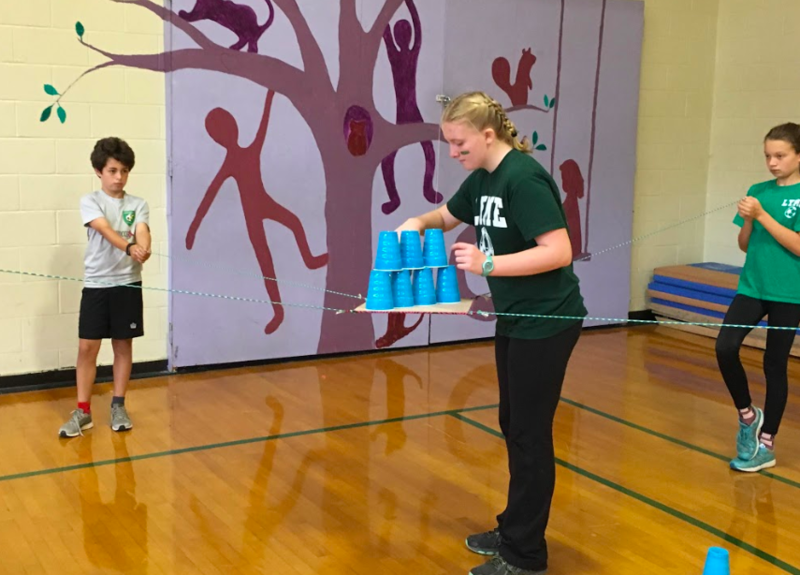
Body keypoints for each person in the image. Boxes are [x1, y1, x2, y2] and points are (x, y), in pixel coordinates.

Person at [397, 91, 586, 575]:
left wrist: (489, 264)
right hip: (517, 317)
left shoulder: (522, 178)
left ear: (487, 135)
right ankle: (514, 527)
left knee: (528, 433)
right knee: (512, 424)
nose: (454, 154)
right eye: (449, 145)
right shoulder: (482, 179)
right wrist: (417, 222)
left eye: (460, 145)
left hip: (548, 319)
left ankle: (525, 556)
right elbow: (446, 215)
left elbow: (559, 250)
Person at [717, 122, 800, 473]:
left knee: (774, 364)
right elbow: (745, 244)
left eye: (780, 156)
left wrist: (763, 214)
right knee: (725, 346)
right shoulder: (758, 190)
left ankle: (766, 443)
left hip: (788, 293)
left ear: (798, 155)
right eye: (768, 156)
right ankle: (748, 416)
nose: (772, 163)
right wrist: (750, 219)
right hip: (752, 287)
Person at [59, 137, 151, 438]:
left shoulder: (138, 204)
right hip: (97, 285)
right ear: (99, 171)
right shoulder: (91, 201)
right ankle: (83, 412)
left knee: (123, 345)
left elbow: (142, 231)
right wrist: (129, 248)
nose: (119, 177)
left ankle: (118, 405)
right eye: (112, 170)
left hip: (127, 284)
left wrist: (143, 248)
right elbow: (105, 229)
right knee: (88, 347)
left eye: (124, 171)